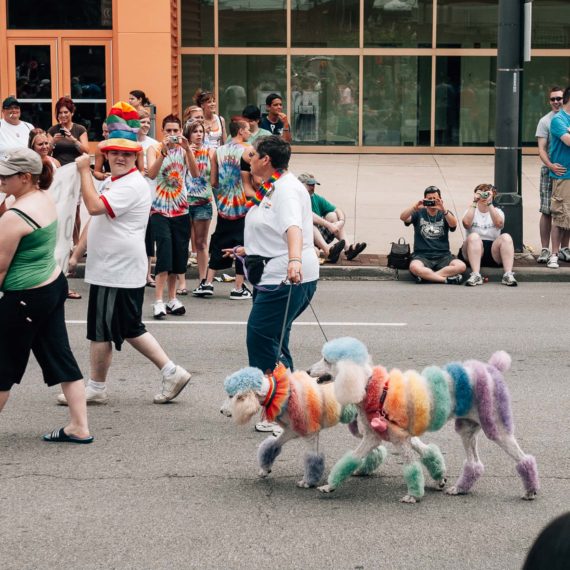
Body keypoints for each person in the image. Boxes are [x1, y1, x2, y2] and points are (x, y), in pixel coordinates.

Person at [59, 101, 192, 406]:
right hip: (112, 267)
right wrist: (77, 254)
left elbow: (92, 207)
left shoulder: (130, 184)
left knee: (111, 328)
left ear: (135, 156)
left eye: (126, 153)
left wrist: (83, 173)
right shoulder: (116, 182)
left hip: (116, 269)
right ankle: (108, 384)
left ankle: (108, 384)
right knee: (116, 328)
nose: (119, 157)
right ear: (106, 153)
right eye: (114, 152)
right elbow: (96, 220)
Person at [0, 147, 92, 443]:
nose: (0, 179)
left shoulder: (15, 215)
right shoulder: (42, 196)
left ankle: (79, 428)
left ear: (25, 177)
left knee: (3, 364)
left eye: (5, 175)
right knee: (59, 354)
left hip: (25, 296)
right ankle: (79, 427)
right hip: (51, 286)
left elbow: (0, 269)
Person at [238, 136, 319, 432]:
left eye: (254, 154)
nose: (250, 158)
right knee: (274, 340)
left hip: (285, 277)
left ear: (266, 160)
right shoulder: (276, 186)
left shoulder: (285, 189)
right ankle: (291, 402)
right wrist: (249, 248)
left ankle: (279, 409)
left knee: (260, 337)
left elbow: (293, 228)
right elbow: (272, 227)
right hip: (275, 272)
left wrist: (293, 261)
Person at [193, 116, 254, 299]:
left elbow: (213, 181)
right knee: (241, 243)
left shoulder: (218, 151)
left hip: (224, 204)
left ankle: (208, 283)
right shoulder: (248, 150)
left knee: (219, 241)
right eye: (248, 129)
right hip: (242, 203)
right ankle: (238, 287)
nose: (250, 132)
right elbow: (255, 176)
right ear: (240, 131)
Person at [146, 114, 199, 319]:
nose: (172, 135)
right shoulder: (155, 148)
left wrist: (187, 149)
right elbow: (151, 173)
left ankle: (172, 298)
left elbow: (195, 174)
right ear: (162, 131)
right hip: (159, 209)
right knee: (165, 253)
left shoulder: (185, 150)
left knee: (178, 256)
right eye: (168, 131)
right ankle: (158, 300)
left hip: (181, 209)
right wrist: (164, 152)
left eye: (175, 131)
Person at [400, 185, 466, 284]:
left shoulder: (445, 213)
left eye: (435, 199)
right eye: (429, 199)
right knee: (414, 267)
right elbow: (403, 217)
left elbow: (453, 224)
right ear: (424, 199)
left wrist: (443, 210)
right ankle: (445, 279)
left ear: (440, 199)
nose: (432, 201)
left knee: (461, 266)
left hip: (443, 255)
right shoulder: (418, 213)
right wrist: (414, 207)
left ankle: (426, 277)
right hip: (421, 255)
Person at [47, 97, 90, 247]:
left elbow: (87, 150)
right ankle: (60, 242)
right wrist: (53, 141)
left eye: (66, 112)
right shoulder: (52, 130)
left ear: (71, 113)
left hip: (76, 172)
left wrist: (72, 139)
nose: (63, 116)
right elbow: (44, 151)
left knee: (76, 209)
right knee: (59, 206)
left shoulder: (79, 129)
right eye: (60, 113)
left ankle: (76, 242)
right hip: (59, 172)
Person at [298, 172, 367, 263]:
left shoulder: (315, 197)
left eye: (314, 184)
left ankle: (348, 249)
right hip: (300, 239)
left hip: (316, 238)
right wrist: (329, 225)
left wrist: (341, 221)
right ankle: (328, 251)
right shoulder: (296, 199)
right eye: (310, 185)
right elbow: (308, 215)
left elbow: (337, 210)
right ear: (300, 185)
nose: (313, 187)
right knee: (314, 249)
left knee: (332, 215)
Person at [460, 183, 517, 286]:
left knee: (506, 237)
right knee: (474, 236)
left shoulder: (498, 212)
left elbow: (499, 224)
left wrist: (489, 203)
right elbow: (466, 224)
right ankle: (476, 275)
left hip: (492, 251)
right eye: (480, 193)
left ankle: (508, 274)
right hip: (472, 249)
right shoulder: (471, 210)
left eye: (486, 193)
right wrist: (474, 202)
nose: (483, 196)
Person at [183, 119, 216, 294]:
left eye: (201, 131)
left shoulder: (210, 151)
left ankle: (203, 281)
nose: (198, 134)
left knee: (202, 243)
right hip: (183, 202)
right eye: (195, 131)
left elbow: (214, 174)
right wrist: (187, 152)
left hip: (203, 201)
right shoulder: (182, 151)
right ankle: (181, 282)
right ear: (188, 134)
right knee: (183, 242)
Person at [535, 86, 567, 263]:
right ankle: (546, 249)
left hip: (567, 172)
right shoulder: (545, 121)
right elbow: (541, 149)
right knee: (547, 210)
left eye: (559, 98)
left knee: (566, 211)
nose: (556, 102)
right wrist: (550, 165)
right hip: (550, 171)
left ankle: (564, 248)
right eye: (553, 99)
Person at [546, 86, 570, 269]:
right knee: (559, 216)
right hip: (564, 176)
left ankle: (565, 250)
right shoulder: (558, 119)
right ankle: (553, 255)